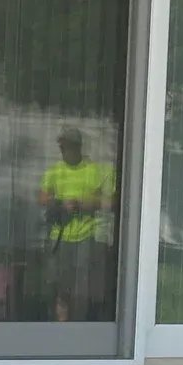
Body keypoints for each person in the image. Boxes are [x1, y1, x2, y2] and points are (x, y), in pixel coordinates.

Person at [38, 127, 117, 321]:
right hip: (59, 235)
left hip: (86, 236)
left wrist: (83, 204)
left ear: (78, 147)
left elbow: (110, 202)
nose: (65, 150)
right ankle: (60, 327)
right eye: (62, 146)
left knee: (82, 287)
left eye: (69, 146)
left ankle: (79, 327)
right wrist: (59, 204)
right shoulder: (54, 171)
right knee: (59, 285)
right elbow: (42, 198)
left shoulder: (93, 170)